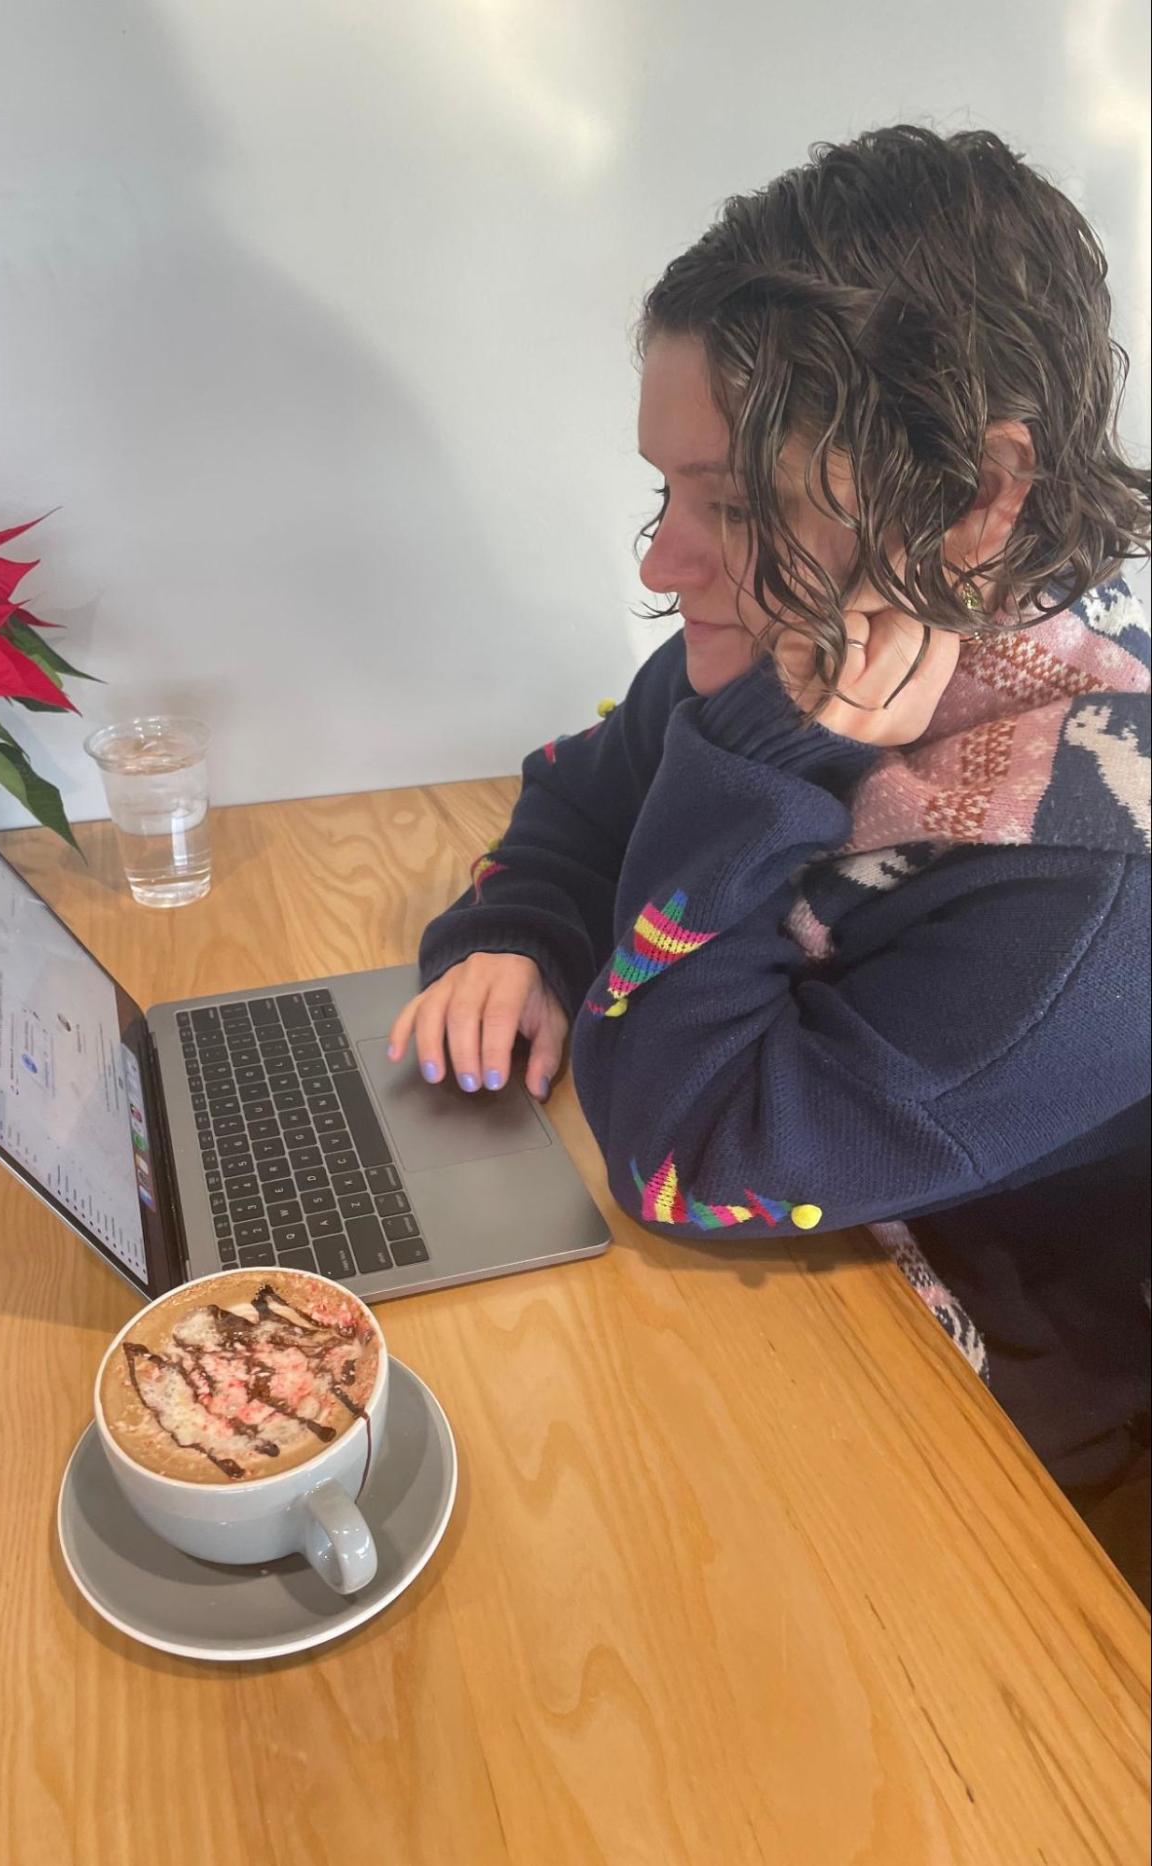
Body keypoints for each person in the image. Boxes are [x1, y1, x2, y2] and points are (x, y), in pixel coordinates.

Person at [388, 124, 1151, 1500]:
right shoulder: (821, 638)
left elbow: (683, 1153)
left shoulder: (1090, 869)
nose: (661, 558)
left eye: (731, 502)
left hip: (963, 1429)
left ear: (983, 493)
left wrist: (758, 770)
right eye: (662, 486)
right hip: (776, 1287)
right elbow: (586, 790)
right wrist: (518, 935)